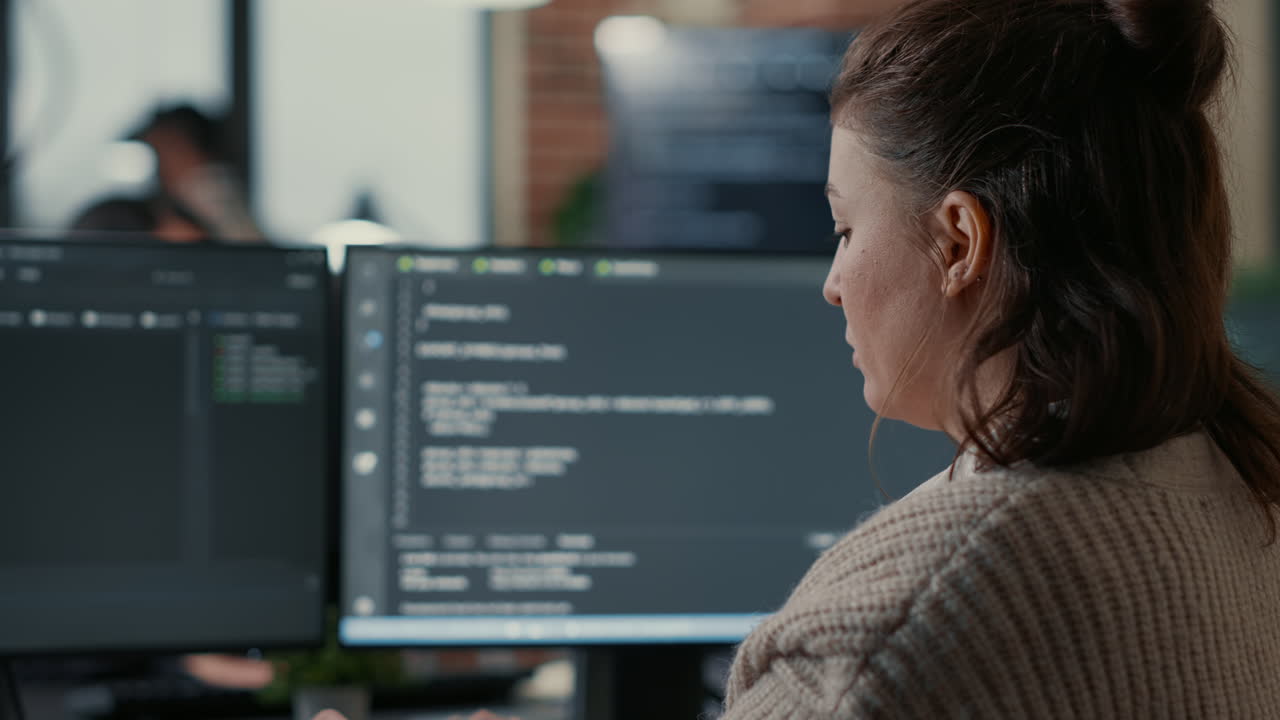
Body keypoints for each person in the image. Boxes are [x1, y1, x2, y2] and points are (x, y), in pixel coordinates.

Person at [320, 0, 1280, 717]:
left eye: (844, 228)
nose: (831, 283)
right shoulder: (1242, 489)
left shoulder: (896, 630)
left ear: (959, 241)